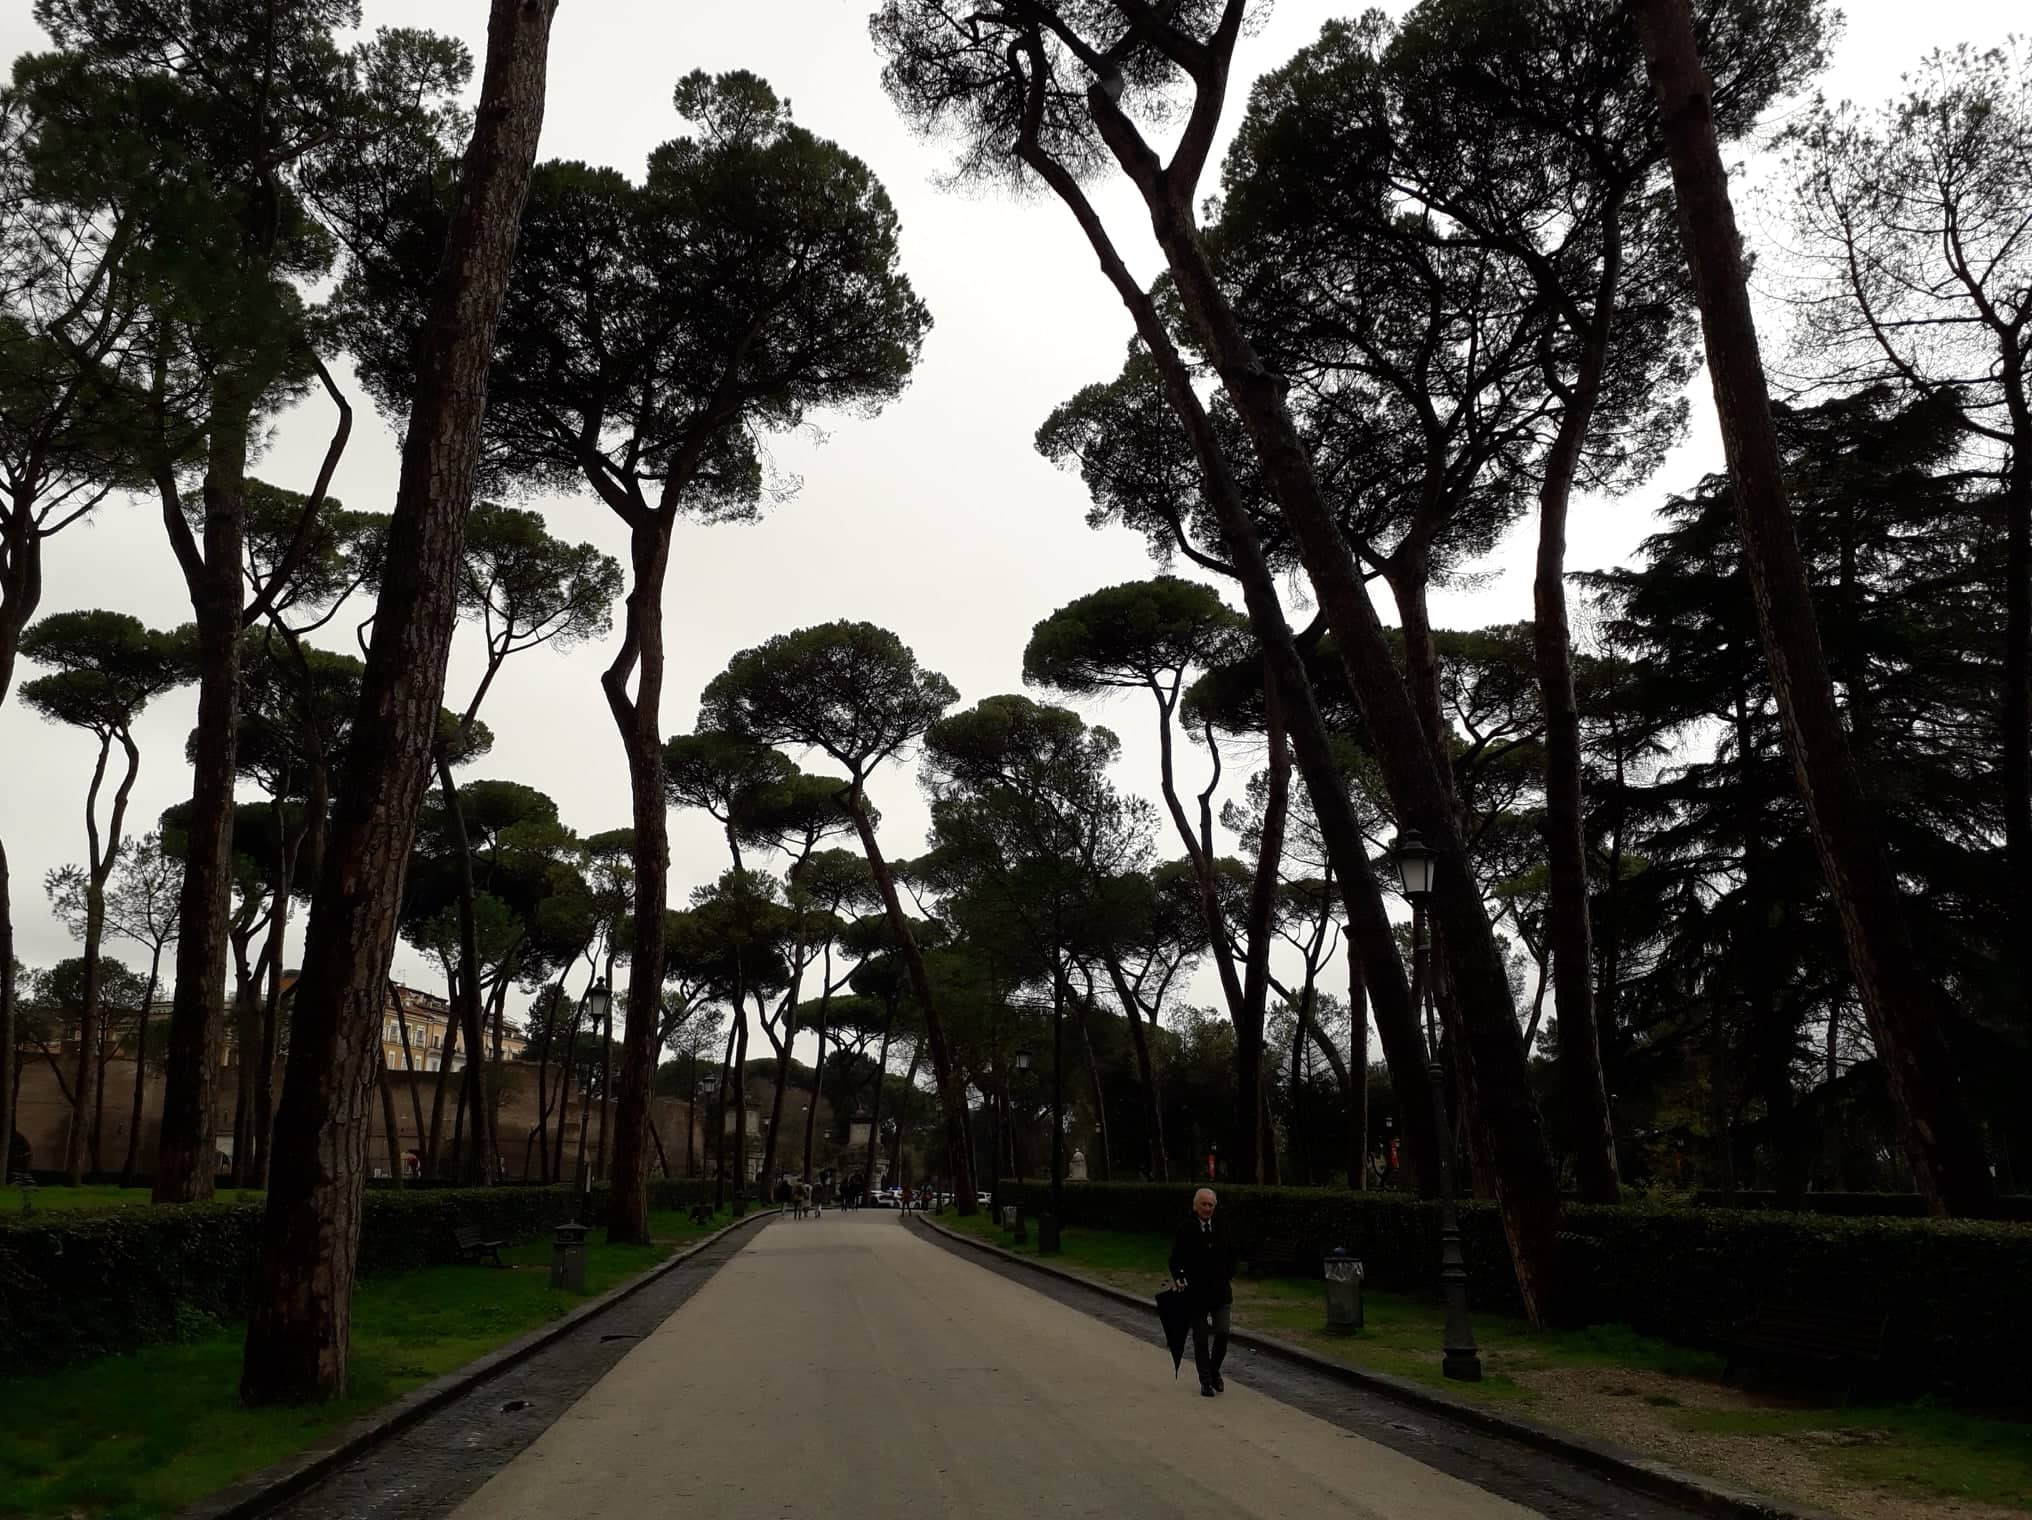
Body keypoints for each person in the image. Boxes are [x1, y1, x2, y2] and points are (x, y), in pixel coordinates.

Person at [1168, 1187, 1235, 1397]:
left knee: (1222, 1332)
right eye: (1203, 1204)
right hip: (1196, 1294)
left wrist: (1228, 1274)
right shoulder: (1185, 1229)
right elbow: (1175, 1258)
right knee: (1201, 1338)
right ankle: (1205, 1380)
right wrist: (1180, 1277)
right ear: (1195, 1206)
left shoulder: (1223, 1227)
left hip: (1220, 1292)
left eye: (1210, 1205)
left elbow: (1232, 1254)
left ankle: (1214, 1370)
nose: (1207, 1208)